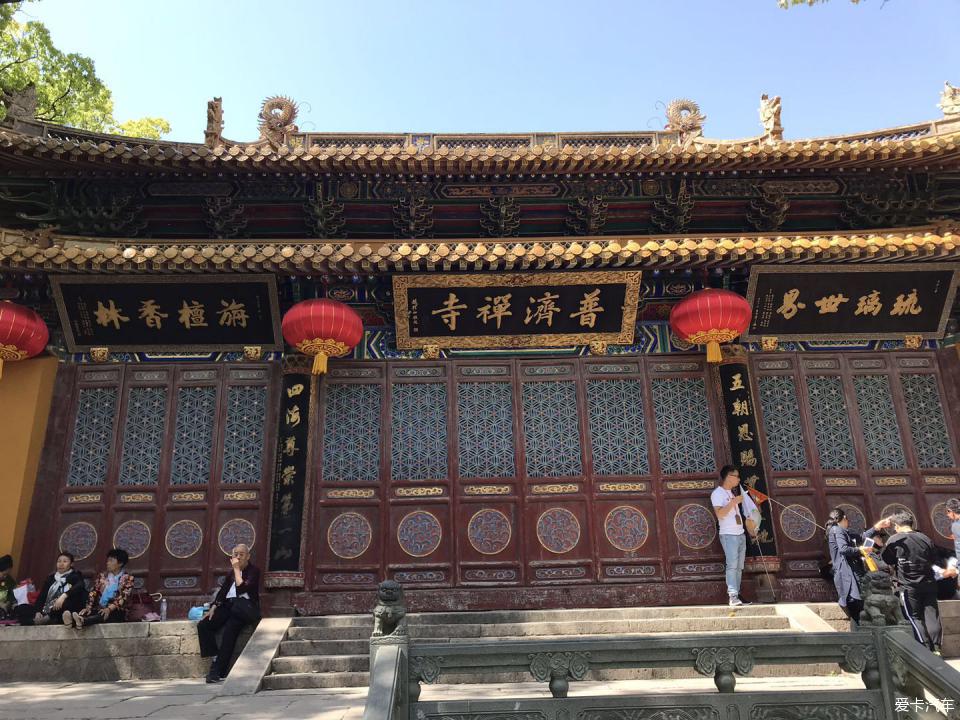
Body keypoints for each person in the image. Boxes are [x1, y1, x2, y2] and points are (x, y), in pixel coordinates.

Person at [872, 511, 943, 655]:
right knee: (932, 614)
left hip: (908, 586)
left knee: (913, 616)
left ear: (897, 526)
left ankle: (924, 647)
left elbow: (887, 560)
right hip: (929, 583)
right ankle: (937, 648)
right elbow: (935, 559)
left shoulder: (895, 539)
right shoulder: (925, 538)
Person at [197, 544, 261, 683]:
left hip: (243, 608)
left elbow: (242, 587)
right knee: (204, 625)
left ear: (248, 556)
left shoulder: (253, 571)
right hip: (228, 605)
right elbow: (223, 591)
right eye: (235, 554)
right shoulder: (231, 573)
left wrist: (237, 569)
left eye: (241, 554)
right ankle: (214, 656)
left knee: (229, 634)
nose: (238, 557)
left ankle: (217, 672)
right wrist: (214, 606)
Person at [710, 465, 755, 607]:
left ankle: (737, 592)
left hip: (739, 533)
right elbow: (720, 514)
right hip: (729, 534)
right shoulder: (718, 493)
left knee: (739, 566)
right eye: (736, 476)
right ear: (729, 477)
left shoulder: (731, 493)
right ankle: (732, 595)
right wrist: (734, 502)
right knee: (732, 564)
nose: (738, 479)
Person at [70, 547, 135, 628]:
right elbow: (93, 592)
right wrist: (88, 607)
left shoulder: (127, 578)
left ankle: (83, 621)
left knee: (105, 614)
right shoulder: (103, 576)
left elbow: (123, 597)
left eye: (111, 560)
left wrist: (109, 609)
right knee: (89, 612)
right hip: (100, 607)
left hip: (117, 610)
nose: (108, 563)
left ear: (120, 563)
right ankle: (74, 620)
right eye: (108, 560)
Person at [824, 507, 867, 630]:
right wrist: (860, 550)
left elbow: (858, 537)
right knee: (856, 605)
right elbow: (843, 549)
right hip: (846, 573)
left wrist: (875, 529)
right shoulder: (837, 530)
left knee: (856, 611)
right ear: (843, 519)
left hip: (844, 572)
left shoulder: (835, 530)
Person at [16, 551, 86, 625]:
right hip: (46, 609)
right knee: (21, 608)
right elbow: (42, 597)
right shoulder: (51, 578)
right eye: (59, 561)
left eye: (65, 561)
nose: (61, 564)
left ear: (71, 564)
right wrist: (38, 611)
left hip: (61, 609)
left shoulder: (75, 576)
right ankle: (38, 620)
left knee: (64, 604)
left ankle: (45, 619)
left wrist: (63, 596)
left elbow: (80, 586)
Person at [0, 555, 15, 620]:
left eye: (7, 574)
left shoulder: (9, 580)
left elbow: (12, 594)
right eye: (4, 574)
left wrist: (7, 604)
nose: (5, 577)